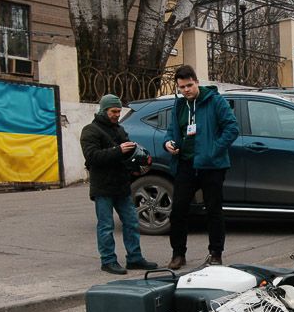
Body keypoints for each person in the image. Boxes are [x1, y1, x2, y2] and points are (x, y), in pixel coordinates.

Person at [163, 65, 240, 270]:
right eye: (181, 87)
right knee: (178, 209)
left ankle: (216, 253)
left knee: (213, 209)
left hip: (212, 166)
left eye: (189, 85)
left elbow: (232, 128)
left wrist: (214, 149)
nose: (186, 90)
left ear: (196, 81)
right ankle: (178, 254)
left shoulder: (215, 101)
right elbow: (171, 130)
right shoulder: (179, 105)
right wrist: (168, 142)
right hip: (186, 164)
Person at [80, 94, 158, 275]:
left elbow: (127, 157)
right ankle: (108, 260)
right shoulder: (90, 131)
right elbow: (92, 157)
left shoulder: (120, 130)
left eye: (118, 111)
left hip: (122, 185)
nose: (116, 114)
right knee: (106, 226)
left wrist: (137, 165)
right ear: (103, 110)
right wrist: (118, 150)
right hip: (103, 187)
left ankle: (135, 258)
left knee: (131, 223)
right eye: (113, 111)